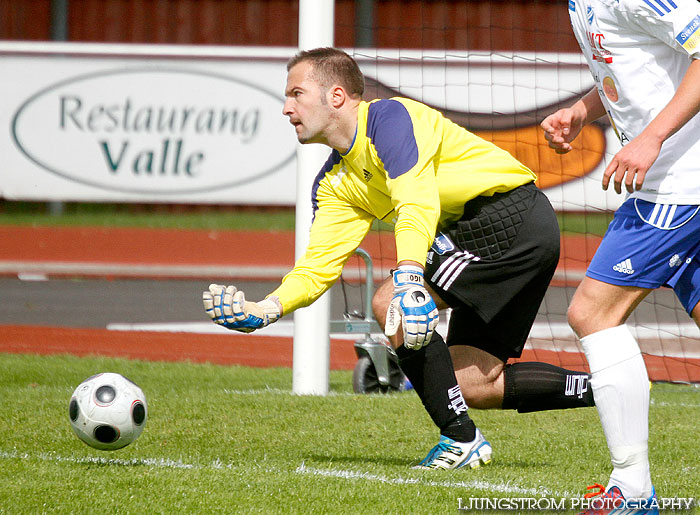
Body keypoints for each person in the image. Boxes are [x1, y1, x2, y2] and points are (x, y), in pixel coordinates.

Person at [203, 47, 595, 470]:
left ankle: (460, 440)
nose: (286, 108)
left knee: (388, 303)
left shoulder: (388, 119)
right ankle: (607, 387)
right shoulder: (334, 183)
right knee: (472, 384)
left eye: (296, 93)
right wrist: (266, 308)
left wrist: (409, 278)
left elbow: (415, 201)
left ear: (336, 97)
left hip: (506, 217)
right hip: (489, 234)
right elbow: (317, 268)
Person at [541, 0, 700, 512]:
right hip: (673, 185)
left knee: (591, 313)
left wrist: (650, 138)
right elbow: (635, 67)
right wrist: (583, 111)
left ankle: (631, 488)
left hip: (677, 187)